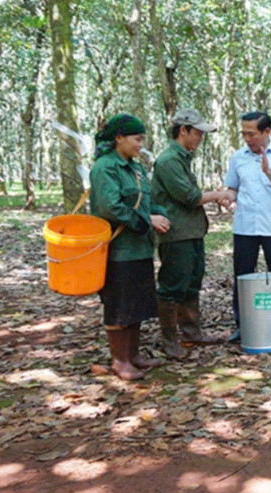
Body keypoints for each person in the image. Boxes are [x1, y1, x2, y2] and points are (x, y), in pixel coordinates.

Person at [90, 114, 169, 380]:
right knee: (119, 305)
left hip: (140, 248)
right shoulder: (105, 167)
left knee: (137, 305)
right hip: (118, 250)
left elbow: (146, 202)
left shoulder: (135, 168)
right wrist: (148, 220)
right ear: (119, 138)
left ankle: (134, 355)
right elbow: (109, 207)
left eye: (142, 139)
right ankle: (119, 360)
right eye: (136, 139)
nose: (140, 144)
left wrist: (160, 214)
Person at [151, 109, 228, 358]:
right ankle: (170, 339)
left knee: (192, 281)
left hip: (192, 231)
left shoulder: (183, 158)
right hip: (177, 233)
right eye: (197, 133)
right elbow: (189, 197)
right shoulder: (169, 160)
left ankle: (191, 331)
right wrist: (217, 195)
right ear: (182, 131)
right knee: (173, 285)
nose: (200, 139)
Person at [223, 111, 271, 343]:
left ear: (266, 132)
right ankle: (242, 325)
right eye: (243, 133)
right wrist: (226, 197)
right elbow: (232, 188)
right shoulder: (237, 158)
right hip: (245, 227)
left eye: (252, 133)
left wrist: (269, 172)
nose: (247, 138)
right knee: (242, 276)